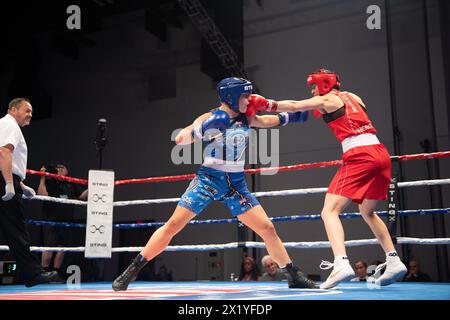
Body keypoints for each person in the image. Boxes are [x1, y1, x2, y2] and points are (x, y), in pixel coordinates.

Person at [112, 77, 316, 291]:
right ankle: (132, 270)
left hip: (236, 184)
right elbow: (180, 138)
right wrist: (203, 129)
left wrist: (289, 118)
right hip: (208, 179)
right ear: (232, 96)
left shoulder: (246, 117)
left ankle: (293, 275)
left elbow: (266, 122)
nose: (249, 100)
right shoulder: (209, 117)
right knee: (173, 225)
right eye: (245, 96)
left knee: (267, 228)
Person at [246, 68, 407, 289]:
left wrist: (266, 104)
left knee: (329, 211)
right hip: (381, 153)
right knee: (367, 211)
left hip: (360, 155)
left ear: (323, 84)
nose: (312, 90)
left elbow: (294, 106)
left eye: (313, 86)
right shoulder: (354, 96)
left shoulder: (328, 99)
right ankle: (394, 260)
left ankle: (341, 263)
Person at [0, 98, 59, 287]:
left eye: (32, 112)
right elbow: (4, 152)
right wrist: (10, 182)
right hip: (4, 180)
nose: (30, 115)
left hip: (7, 177)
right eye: (27, 110)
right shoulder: (10, 125)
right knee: (16, 229)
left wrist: (21, 184)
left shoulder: (5, 124)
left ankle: (32, 273)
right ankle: (33, 274)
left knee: (14, 229)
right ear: (14, 109)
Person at [38, 162, 88, 280]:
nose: (59, 170)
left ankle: (57, 273)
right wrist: (42, 177)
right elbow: (41, 194)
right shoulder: (49, 182)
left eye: (62, 167)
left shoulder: (70, 183)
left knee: (62, 247)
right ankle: (43, 272)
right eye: (57, 168)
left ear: (67, 170)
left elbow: (82, 196)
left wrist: (93, 186)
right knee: (49, 246)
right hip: (51, 220)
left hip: (66, 220)